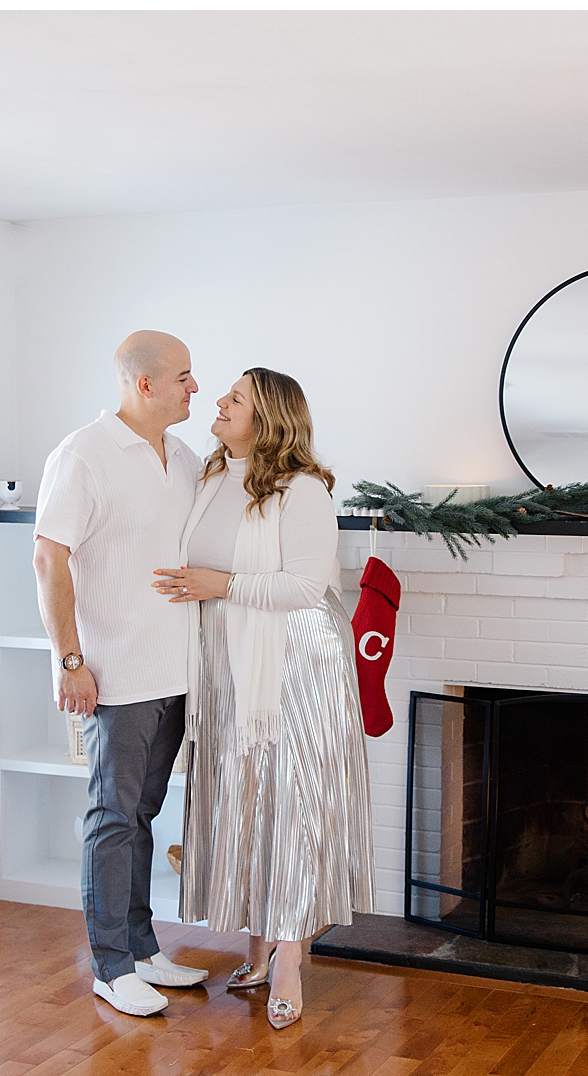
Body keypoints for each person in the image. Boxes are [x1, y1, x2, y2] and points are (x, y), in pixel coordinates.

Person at [153, 367, 374, 1030]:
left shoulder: (302, 490)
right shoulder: (214, 476)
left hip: (297, 666)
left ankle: (288, 959)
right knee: (246, 799)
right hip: (229, 666)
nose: (217, 403)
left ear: (269, 416)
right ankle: (255, 943)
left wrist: (218, 583)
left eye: (235, 397)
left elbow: (307, 588)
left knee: (292, 806)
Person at [33, 330, 212, 1017]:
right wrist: (71, 659)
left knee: (141, 814)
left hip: (175, 671)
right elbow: (50, 559)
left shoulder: (186, 458)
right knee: (112, 818)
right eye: (184, 377)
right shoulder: (83, 455)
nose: (195, 387)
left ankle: (141, 948)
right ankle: (110, 965)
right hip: (114, 676)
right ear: (145, 384)